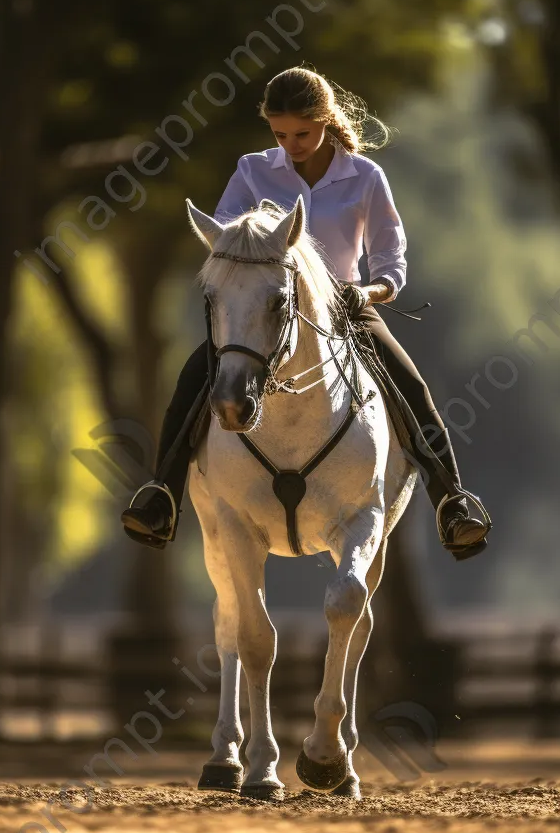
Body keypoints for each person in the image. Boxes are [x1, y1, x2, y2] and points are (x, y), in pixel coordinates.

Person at [120, 66, 489, 560]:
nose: (291, 144)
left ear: (325, 121)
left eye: (302, 133)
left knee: (411, 386)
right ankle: (161, 495)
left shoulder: (366, 177)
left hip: (345, 306)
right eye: (280, 134)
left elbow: (390, 259)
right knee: (194, 376)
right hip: (265, 311)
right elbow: (228, 243)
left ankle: (451, 501)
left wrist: (370, 291)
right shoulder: (251, 170)